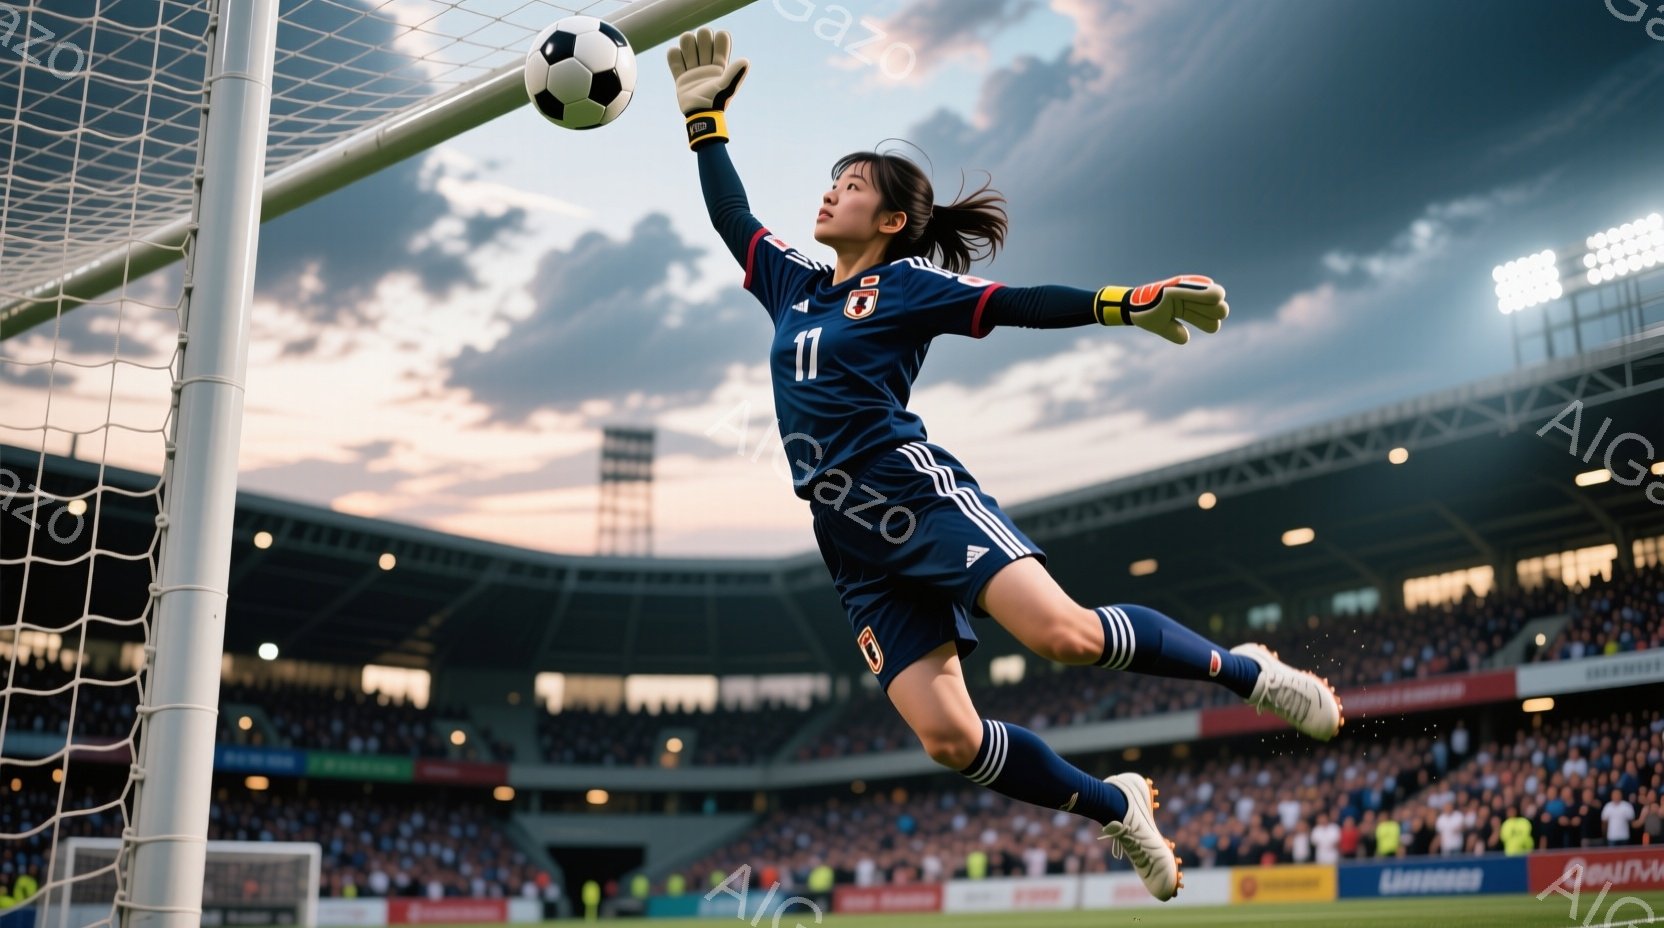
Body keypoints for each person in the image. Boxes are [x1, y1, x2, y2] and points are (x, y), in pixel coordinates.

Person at [667, 27, 1344, 903]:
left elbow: (1014, 302)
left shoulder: (906, 287)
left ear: (894, 221)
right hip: (852, 539)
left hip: (919, 496)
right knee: (949, 740)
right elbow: (734, 218)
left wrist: (1126, 304)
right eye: (833, 180)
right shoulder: (794, 284)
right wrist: (704, 123)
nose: (832, 192)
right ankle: (1117, 807)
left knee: (1066, 636)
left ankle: (1254, 673)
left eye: (853, 185)